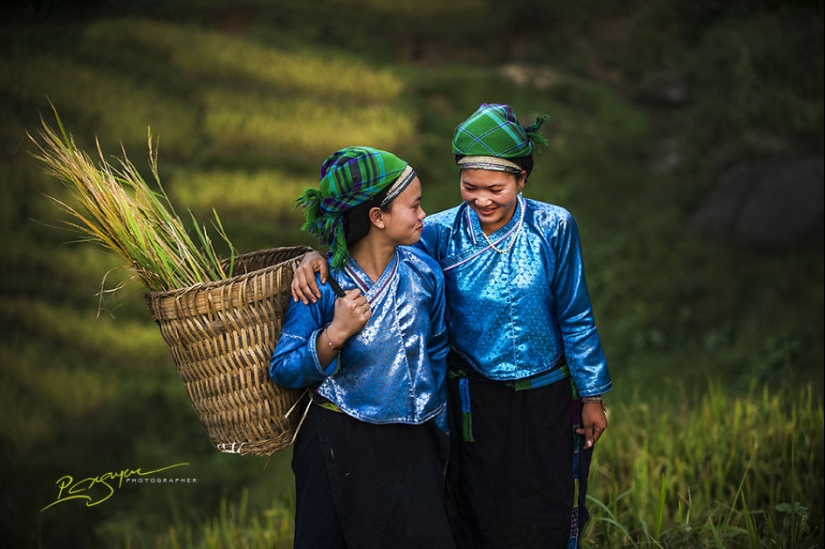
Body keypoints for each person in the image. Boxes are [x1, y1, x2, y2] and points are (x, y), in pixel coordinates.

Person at [290, 104, 612, 549]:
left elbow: (576, 315)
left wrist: (591, 395)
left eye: (496, 188)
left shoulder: (554, 226)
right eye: (470, 186)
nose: (482, 199)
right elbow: (373, 240)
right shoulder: (439, 232)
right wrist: (316, 258)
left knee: (546, 503)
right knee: (475, 508)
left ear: (522, 180)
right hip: (471, 399)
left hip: (547, 396)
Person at [270, 146, 455, 549]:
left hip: (414, 445)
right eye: (415, 205)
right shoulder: (322, 284)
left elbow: (438, 351)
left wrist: (436, 425)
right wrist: (334, 334)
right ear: (378, 217)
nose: (424, 214)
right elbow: (284, 367)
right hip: (339, 444)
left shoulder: (425, 273)